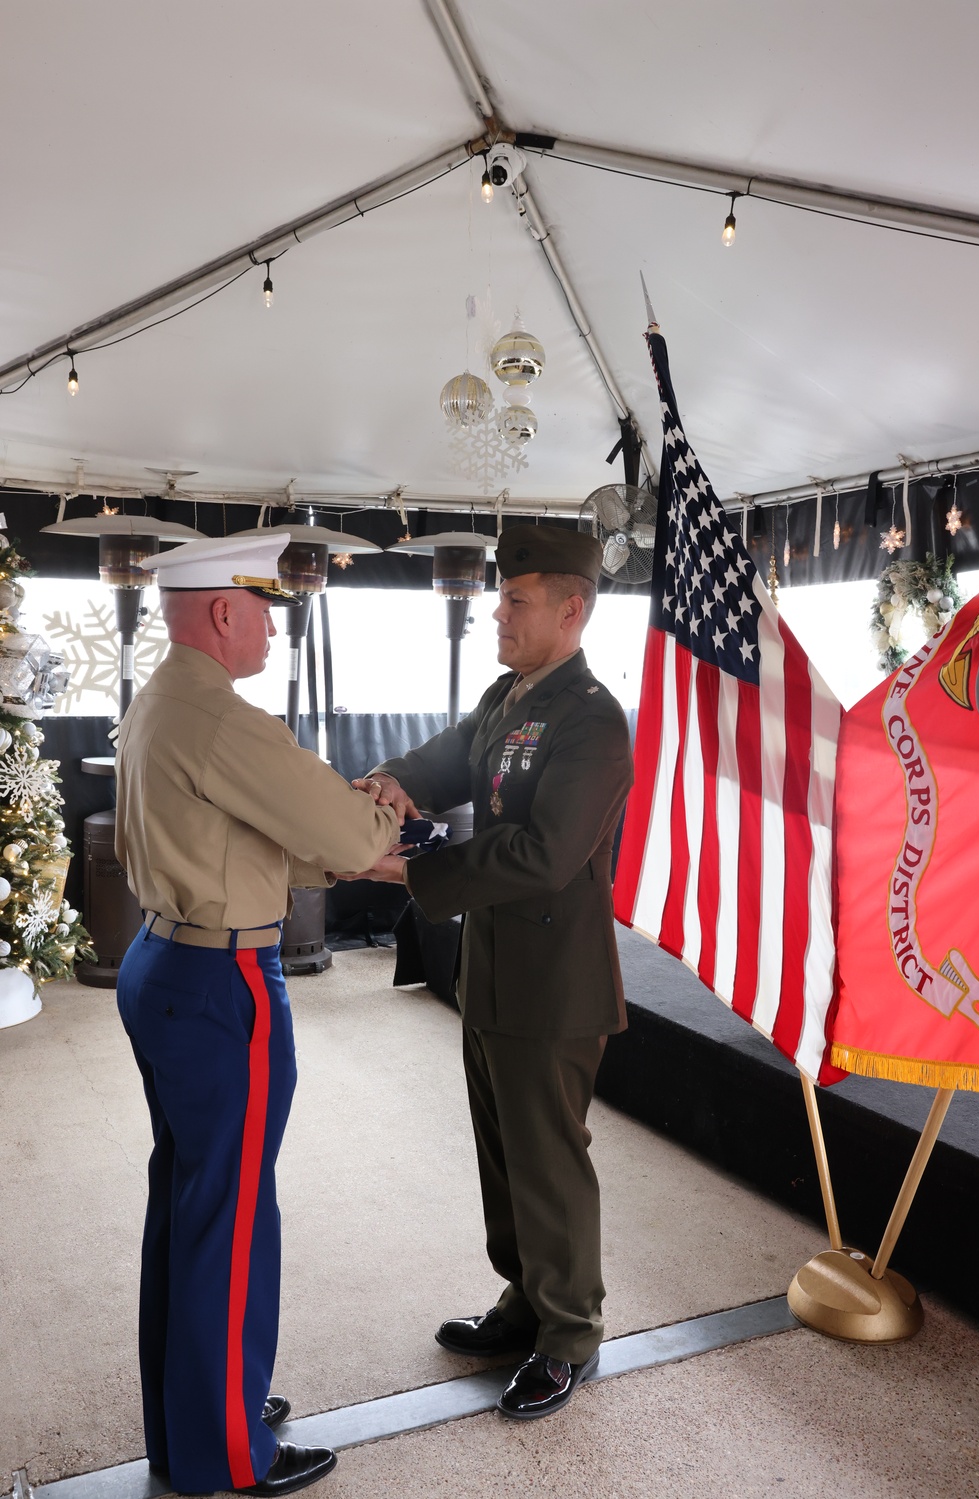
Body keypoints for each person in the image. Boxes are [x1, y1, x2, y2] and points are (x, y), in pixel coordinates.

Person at [115, 532, 399, 1495]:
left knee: (192, 1203)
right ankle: (227, 1454)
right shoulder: (222, 718)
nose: (274, 623)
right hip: (221, 981)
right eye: (264, 606)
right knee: (232, 1218)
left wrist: (334, 833)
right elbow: (346, 834)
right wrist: (380, 809)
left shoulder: (161, 702)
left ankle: (195, 1408)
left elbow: (259, 840)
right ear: (224, 613)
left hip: (162, 962)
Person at [348, 524, 633, 1420]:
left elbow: (545, 853)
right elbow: (445, 759)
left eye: (514, 600)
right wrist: (392, 780)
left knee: (549, 1158)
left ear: (571, 609)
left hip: (554, 981)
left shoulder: (593, 719)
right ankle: (525, 1297)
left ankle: (570, 1332)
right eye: (498, 598)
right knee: (504, 1150)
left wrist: (409, 869)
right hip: (494, 969)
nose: (495, 614)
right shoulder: (509, 697)